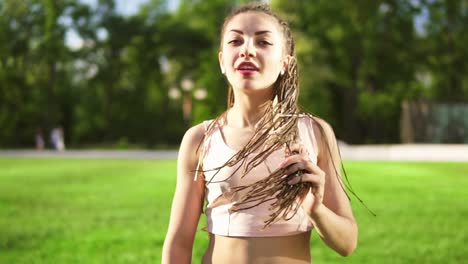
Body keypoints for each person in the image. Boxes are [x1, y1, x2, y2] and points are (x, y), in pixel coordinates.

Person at [162, 3, 358, 263]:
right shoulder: (200, 139)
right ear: (222, 61)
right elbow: (178, 243)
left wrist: (314, 207)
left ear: (285, 63)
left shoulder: (314, 132)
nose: (247, 50)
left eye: (263, 42)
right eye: (235, 41)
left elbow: (347, 243)